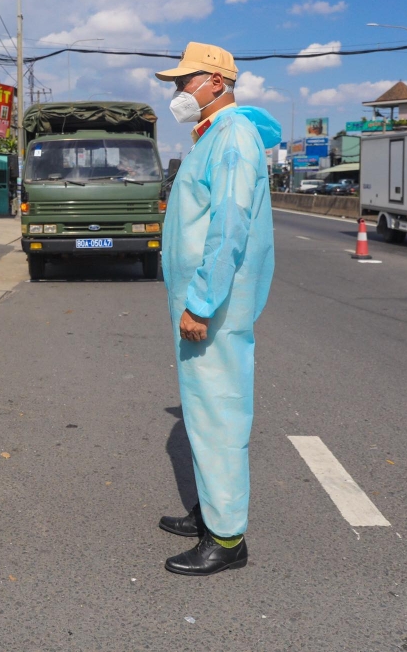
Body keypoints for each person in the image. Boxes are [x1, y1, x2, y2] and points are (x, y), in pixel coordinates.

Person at [153, 43, 279, 576]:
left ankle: (226, 540)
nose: (177, 93)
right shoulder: (214, 135)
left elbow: (228, 229)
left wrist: (201, 303)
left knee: (218, 413)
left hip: (215, 305)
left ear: (217, 82)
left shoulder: (230, 137)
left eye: (185, 83)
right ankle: (212, 512)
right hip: (208, 302)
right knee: (204, 412)